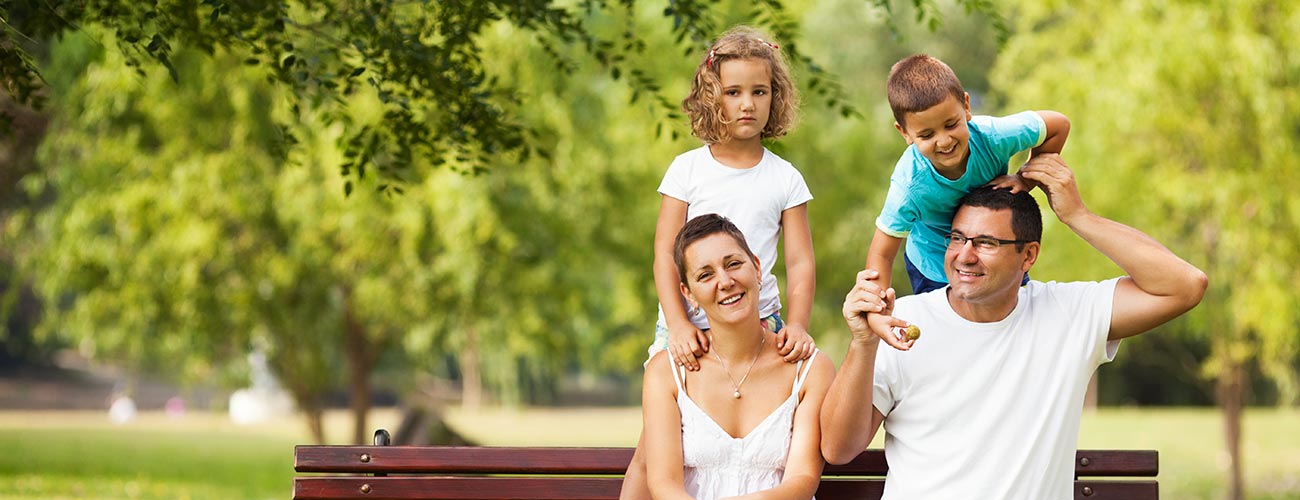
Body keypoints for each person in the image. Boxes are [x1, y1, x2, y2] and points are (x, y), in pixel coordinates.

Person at [822, 154, 1207, 499]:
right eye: (957, 238)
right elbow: (838, 449)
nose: (964, 256)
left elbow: (1184, 286)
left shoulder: (1068, 314)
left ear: (1029, 255)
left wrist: (1078, 216)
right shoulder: (900, 323)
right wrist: (862, 344)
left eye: (986, 242)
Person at [621, 26, 818, 499]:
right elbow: (663, 256)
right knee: (652, 449)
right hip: (684, 324)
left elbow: (801, 262)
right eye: (733, 93)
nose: (747, 104)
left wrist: (797, 323)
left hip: (756, 321)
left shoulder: (785, 178)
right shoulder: (688, 170)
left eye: (759, 91)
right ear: (714, 98)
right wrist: (678, 324)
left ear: (776, 97)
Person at [642, 214, 833, 500]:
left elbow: (802, 481)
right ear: (689, 293)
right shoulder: (666, 372)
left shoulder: (809, 368)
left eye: (733, 264)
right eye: (705, 275)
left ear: (757, 268)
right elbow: (664, 485)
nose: (725, 281)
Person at [865, 54, 1070, 296]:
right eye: (927, 135)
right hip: (936, 268)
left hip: (995, 255)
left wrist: (1025, 179)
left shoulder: (993, 138)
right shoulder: (909, 186)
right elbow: (881, 253)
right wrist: (876, 307)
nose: (944, 141)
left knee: (1012, 319)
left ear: (966, 106)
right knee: (951, 330)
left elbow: (1058, 125)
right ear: (905, 133)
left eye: (951, 124)